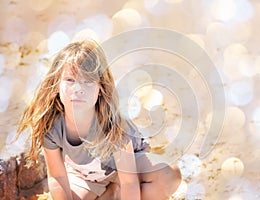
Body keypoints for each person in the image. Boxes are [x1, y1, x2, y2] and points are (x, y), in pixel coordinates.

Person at [17, 39, 181, 200]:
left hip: (130, 168)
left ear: (100, 88)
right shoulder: (51, 126)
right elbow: (57, 176)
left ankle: (116, 191)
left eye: (88, 81)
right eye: (70, 80)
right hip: (87, 175)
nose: (78, 89)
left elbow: (130, 183)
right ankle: (111, 194)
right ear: (56, 85)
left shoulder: (113, 126)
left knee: (168, 176)